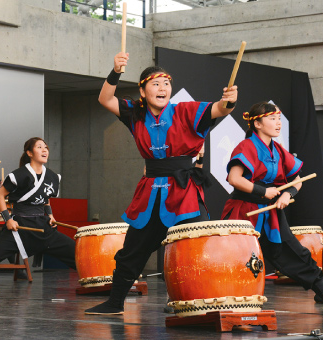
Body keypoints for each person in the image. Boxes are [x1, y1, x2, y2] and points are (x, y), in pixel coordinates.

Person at [84, 52, 238, 315]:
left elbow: (218, 109)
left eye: (167, 83)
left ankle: (197, 301)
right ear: (142, 91)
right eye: (155, 84)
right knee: (132, 251)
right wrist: (115, 72)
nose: (163, 88)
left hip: (184, 191)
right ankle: (115, 302)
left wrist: (229, 102)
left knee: (194, 246)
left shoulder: (186, 111)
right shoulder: (134, 113)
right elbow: (105, 99)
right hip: (150, 193)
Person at [220, 101, 323, 308]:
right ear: (257, 124)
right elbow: (234, 178)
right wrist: (263, 191)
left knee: (293, 251)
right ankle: (228, 300)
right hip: (245, 211)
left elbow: (297, 180)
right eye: (272, 119)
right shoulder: (247, 146)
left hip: (271, 213)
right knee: (239, 258)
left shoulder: (277, 150)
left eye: (279, 118)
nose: (278, 123)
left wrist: (286, 195)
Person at [0, 137, 76, 269]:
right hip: (20, 226)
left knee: (76, 253)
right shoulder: (19, 175)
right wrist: (8, 220)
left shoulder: (52, 176)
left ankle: (95, 282)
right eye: (39, 147)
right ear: (29, 153)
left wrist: (50, 215)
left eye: (46, 147)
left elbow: (45, 198)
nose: (44, 150)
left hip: (42, 226)